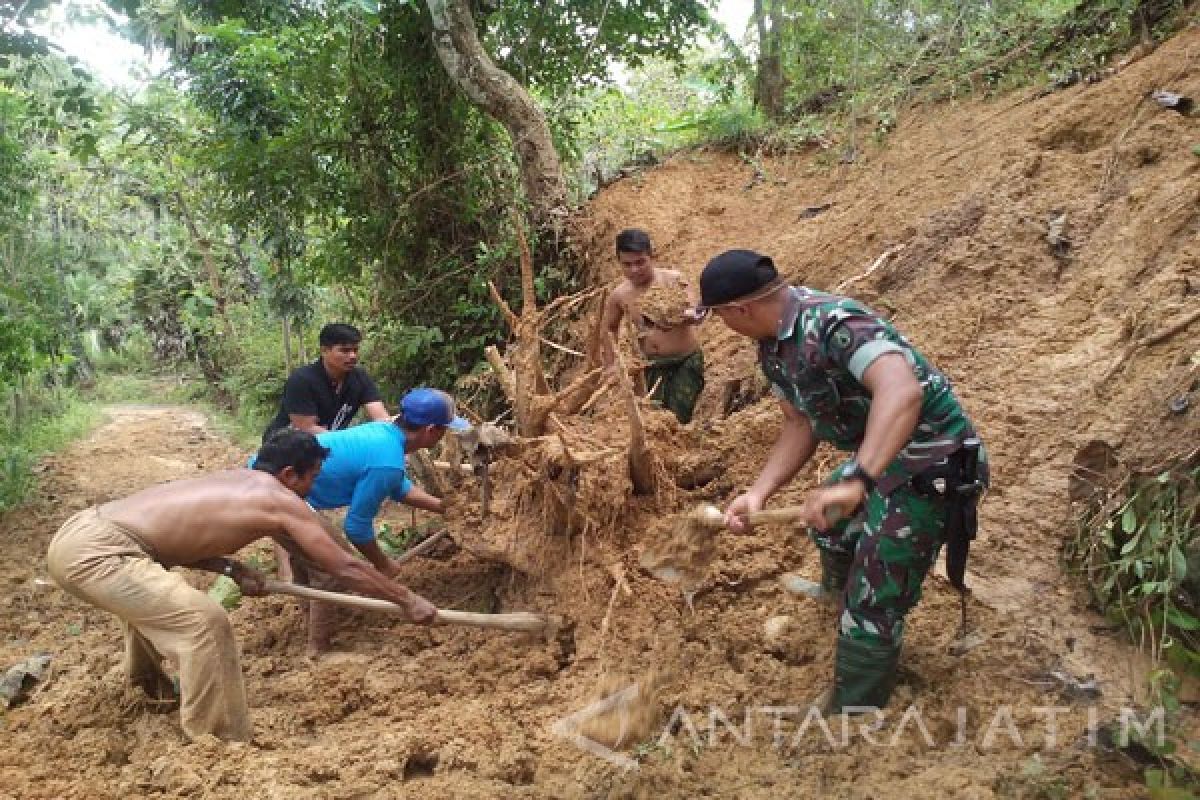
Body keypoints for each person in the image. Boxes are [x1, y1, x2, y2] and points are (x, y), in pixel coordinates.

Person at [699, 249, 988, 714]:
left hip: (934, 464)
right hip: (882, 460)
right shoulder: (773, 347)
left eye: (717, 316)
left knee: (875, 597)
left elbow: (901, 389)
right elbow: (799, 424)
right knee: (827, 524)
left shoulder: (835, 324)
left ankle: (856, 706)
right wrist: (758, 493)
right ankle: (837, 598)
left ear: (740, 310)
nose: (721, 325)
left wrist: (858, 479)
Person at [45, 429, 437, 742]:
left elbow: (176, 541)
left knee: (158, 602)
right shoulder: (278, 498)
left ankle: (149, 690)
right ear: (289, 475)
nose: (312, 488)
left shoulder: (237, 481)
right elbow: (342, 566)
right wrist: (406, 599)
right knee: (204, 621)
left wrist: (232, 570)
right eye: (312, 478)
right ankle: (218, 742)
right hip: (101, 554)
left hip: (85, 533)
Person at [265, 387, 470, 654]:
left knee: (310, 560)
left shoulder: (384, 434)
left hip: (272, 483)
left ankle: (311, 618)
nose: (444, 436)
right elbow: (357, 527)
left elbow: (399, 487)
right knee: (332, 567)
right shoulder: (387, 459)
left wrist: (445, 508)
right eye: (444, 429)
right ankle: (318, 649)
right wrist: (381, 564)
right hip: (280, 490)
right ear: (431, 430)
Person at [600, 228, 705, 424]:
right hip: (649, 366)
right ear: (619, 263)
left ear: (651, 256)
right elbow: (608, 328)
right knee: (652, 420)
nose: (634, 270)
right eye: (627, 264)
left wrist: (682, 315)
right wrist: (610, 364)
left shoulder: (674, 280)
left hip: (685, 361)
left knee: (677, 418)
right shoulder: (620, 295)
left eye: (640, 262)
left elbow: (697, 312)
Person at [261, 323, 390, 443]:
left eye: (355, 350)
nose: (352, 356)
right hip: (283, 447)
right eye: (345, 351)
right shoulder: (301, 380)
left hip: (329, 445)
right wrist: (351, 443)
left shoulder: (360, 378)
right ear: (324, 351)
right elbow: (307, 429)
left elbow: (381, 419)